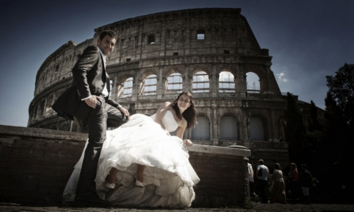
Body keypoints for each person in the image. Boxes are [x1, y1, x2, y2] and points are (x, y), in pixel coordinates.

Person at [63, 91, 200, 208]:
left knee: (157, 146)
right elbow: (158, 119)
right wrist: (162, 133)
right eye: (181, 99)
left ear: (189, 105)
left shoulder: (183, 122)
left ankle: (137, 174)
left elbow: (179, 138)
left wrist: (185, 141)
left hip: (161, 134)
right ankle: (115, 171)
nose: (183, 102)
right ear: (178, 100)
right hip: (150, 124)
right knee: (139, 140)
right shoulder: (168, 105)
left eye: (186, 101)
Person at [52, 30, 129, 205]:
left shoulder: (103, 60)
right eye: (107, 42)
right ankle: (84, 193)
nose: (109, 46)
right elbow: (79, 70)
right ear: (99, 40)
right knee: (96, 144)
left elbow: (105, 94)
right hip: (94, 103)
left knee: (123, 118)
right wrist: (86, 96)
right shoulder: (94, 52)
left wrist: (119, 106)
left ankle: (90, 123)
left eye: (112, 44)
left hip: (101, 102)